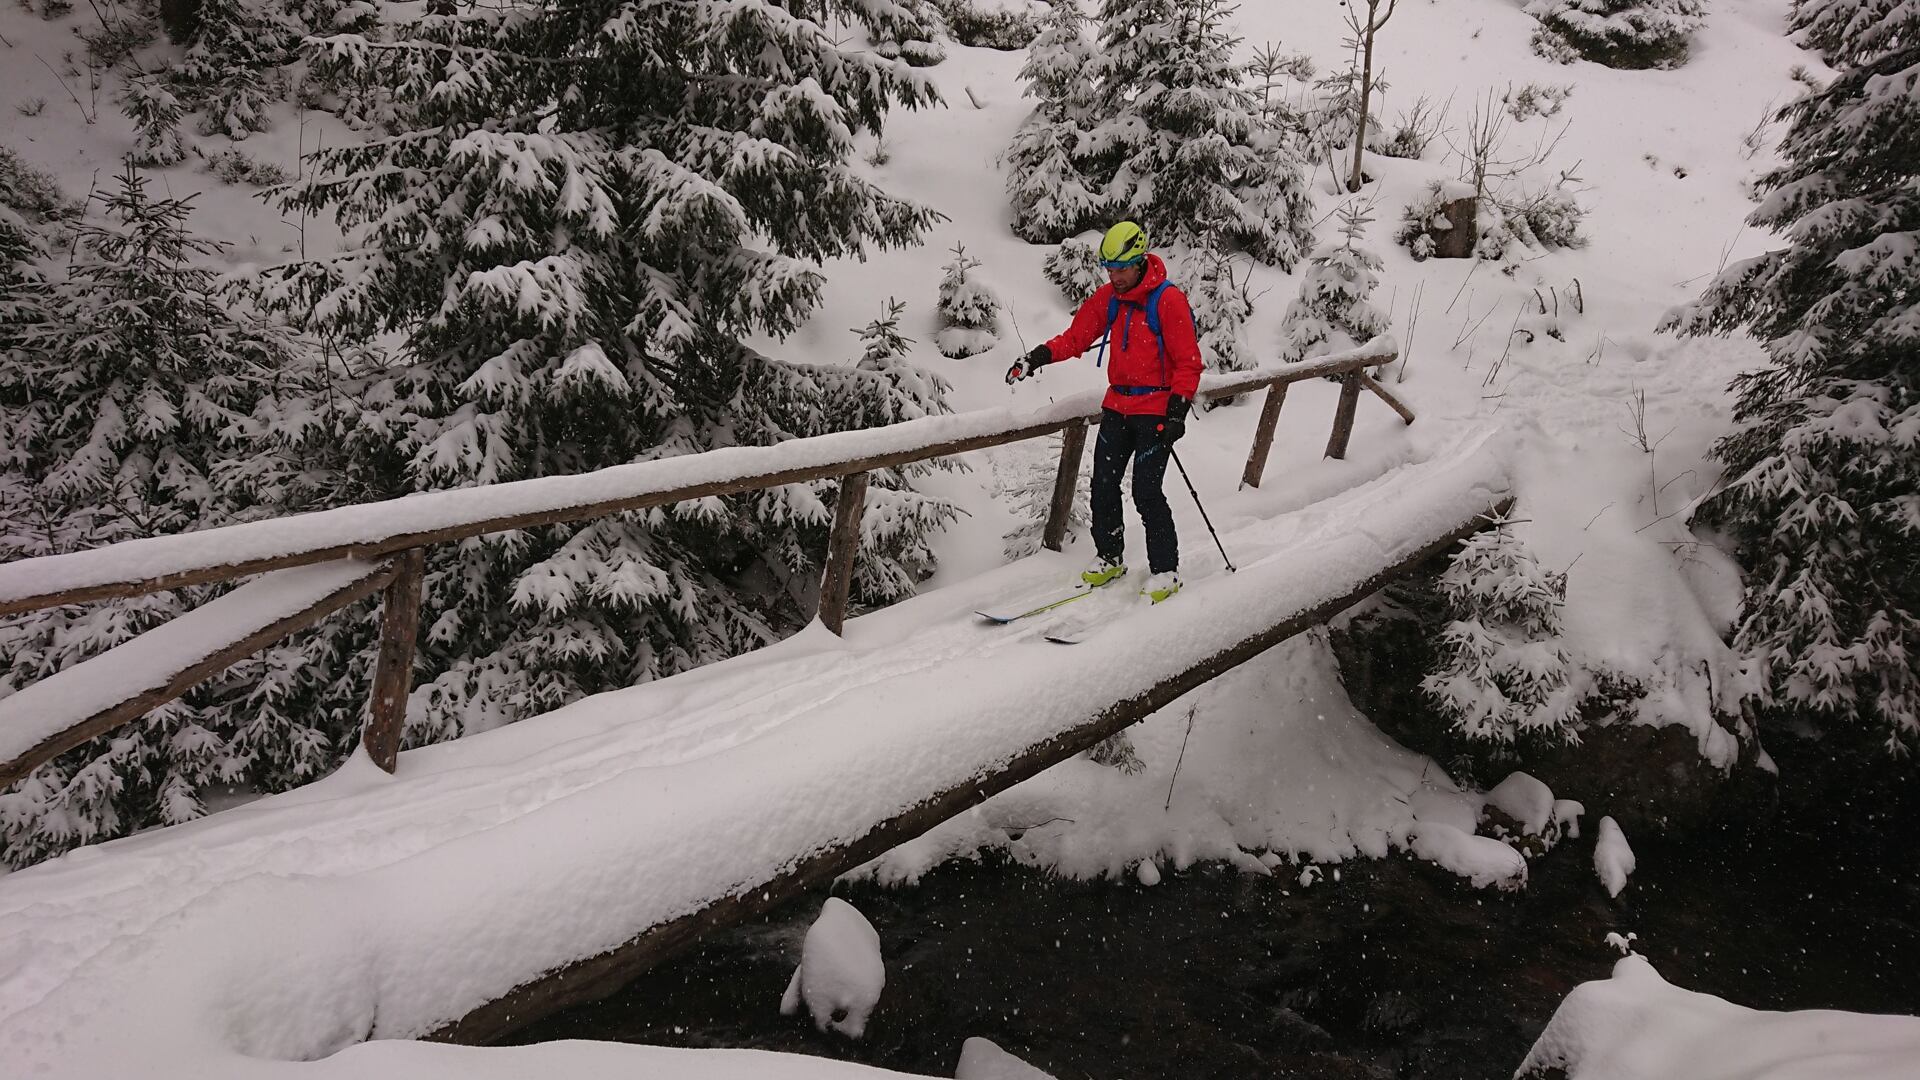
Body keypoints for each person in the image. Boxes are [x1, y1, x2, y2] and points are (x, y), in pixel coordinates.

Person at [1005, 221, 1203, 603]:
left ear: (1140, 261)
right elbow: (1076, 337)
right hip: (1117, 406)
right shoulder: (1110, 297)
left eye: (1122, 268)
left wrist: (1177, 411)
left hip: (1155, 411)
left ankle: (1166, 571)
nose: (1115, 276)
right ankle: (1110, 556)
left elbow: (1188, 362)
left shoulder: (1168, 300)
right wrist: (1036, 357)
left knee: (1146, 491)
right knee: (1103, 485)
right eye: (1109, 268)